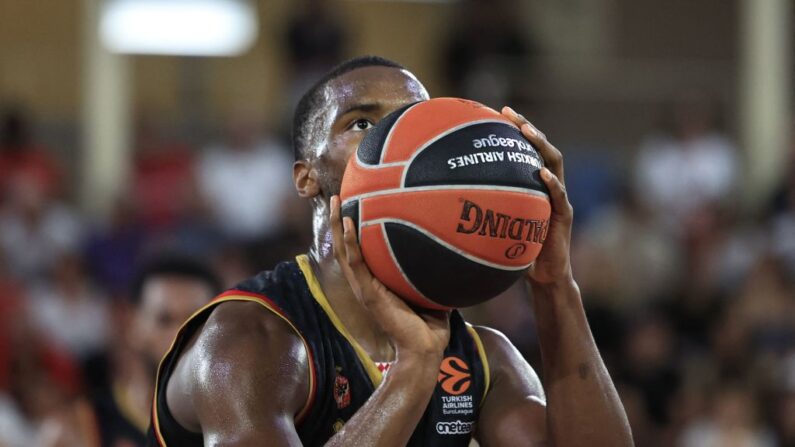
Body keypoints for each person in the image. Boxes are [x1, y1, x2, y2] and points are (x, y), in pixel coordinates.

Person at [147, 56, 633, 446]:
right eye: (361, 123)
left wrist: (554, 286)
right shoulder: (248, 340)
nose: (393, 136)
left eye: (408, 118)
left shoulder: (484, 359)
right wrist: (414, 368)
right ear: (306, 177)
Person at [89, 255, 221, 447]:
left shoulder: (240, 424)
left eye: (197, 321)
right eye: (164, 320)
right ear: (133, 325)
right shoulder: (82, 430)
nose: (180, 335)